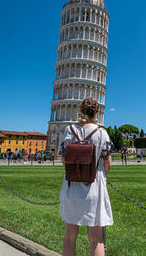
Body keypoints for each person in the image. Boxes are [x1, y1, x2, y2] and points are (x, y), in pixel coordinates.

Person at [59, 98, 113, 256]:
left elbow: (64, 160)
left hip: (72, 188)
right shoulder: (101, 132)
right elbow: (108, 162)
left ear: (81, 110)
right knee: (96, 239)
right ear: (96, 112)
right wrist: (99, 175)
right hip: (94, 188)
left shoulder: (69, 130)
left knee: (69, 236)